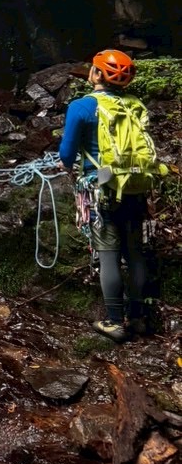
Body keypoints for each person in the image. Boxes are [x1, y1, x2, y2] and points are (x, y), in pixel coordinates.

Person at [59, 49, 160, 341]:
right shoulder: (134, 105)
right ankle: (138, 318)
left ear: (98, 74)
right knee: (136, 254)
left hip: (101, 190)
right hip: (135, 187)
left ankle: (115, 322)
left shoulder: (82, 106)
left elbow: (66, 156)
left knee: (109, 257)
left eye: (93, 68)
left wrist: (69, 160)